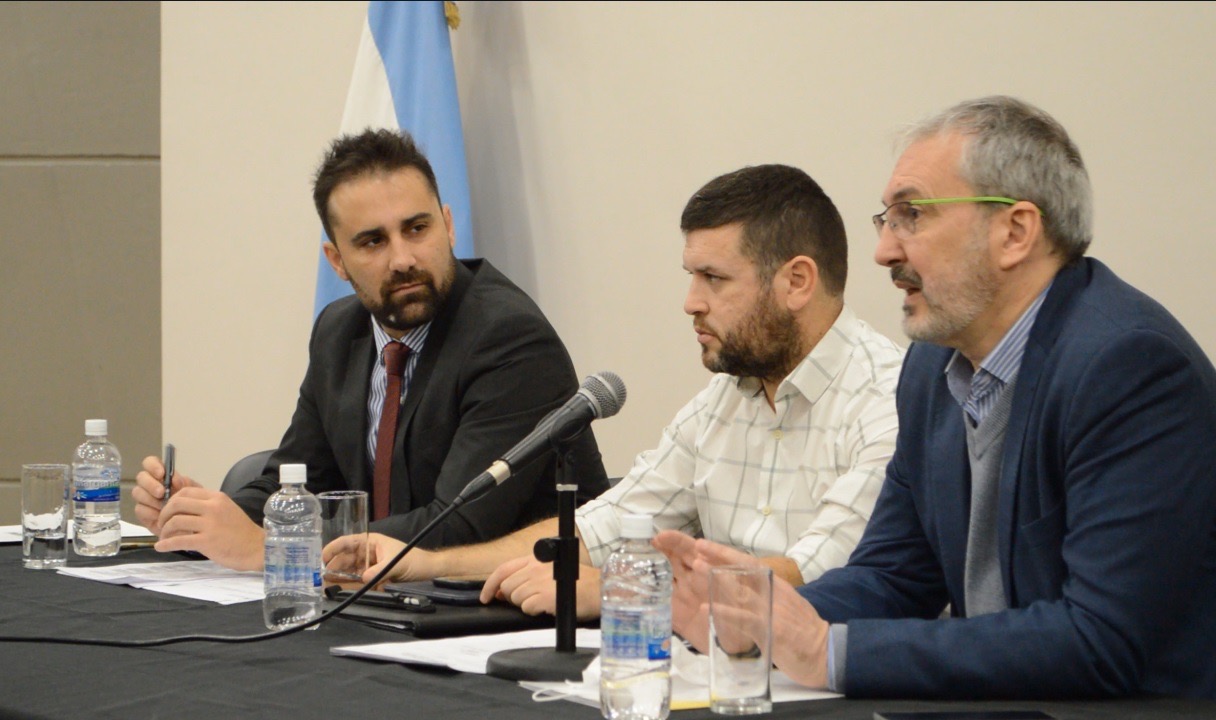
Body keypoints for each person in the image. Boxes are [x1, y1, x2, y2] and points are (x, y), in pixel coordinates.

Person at [656, 95, 1216, 699]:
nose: (884, 251)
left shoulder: (1127, 369)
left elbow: (1100, 640)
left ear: (1014, 232)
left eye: (912, 216)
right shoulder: (931, 370)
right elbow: (894, 576)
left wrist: (826, 650)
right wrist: (758, 615)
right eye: (887, 220)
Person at [335, 163, 905, 618]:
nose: (691, 302)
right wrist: (425, 562)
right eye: (692, 276)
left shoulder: (889, 401)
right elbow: (600, 529)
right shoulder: (724, 402)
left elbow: (817, 575)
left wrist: (617, 591)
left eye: (714, 278)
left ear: (797, 282)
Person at [133, 128, 609, 571]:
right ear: (337, 260)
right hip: (381, 600)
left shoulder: (510, 339)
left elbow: (457, 525)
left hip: (506, 606)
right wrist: (204, 518)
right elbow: (297, 483)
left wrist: (272, 547)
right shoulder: (338, 333)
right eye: (373, 241)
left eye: (417, 229)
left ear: (448, 226)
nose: (402, 259)